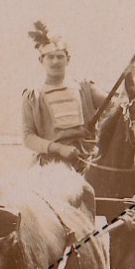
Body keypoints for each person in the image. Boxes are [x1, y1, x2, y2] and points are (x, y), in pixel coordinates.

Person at [21, 21, 107, 170]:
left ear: (68, 59)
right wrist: (59, 148)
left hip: (88, 161)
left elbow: (116, 107)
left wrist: (127, 81)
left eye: (60, 57)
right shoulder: (32, 96)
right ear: (41, 60)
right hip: (51, 164)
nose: (56, 61)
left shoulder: (85, 88)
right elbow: (28, 137)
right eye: (50, 57)